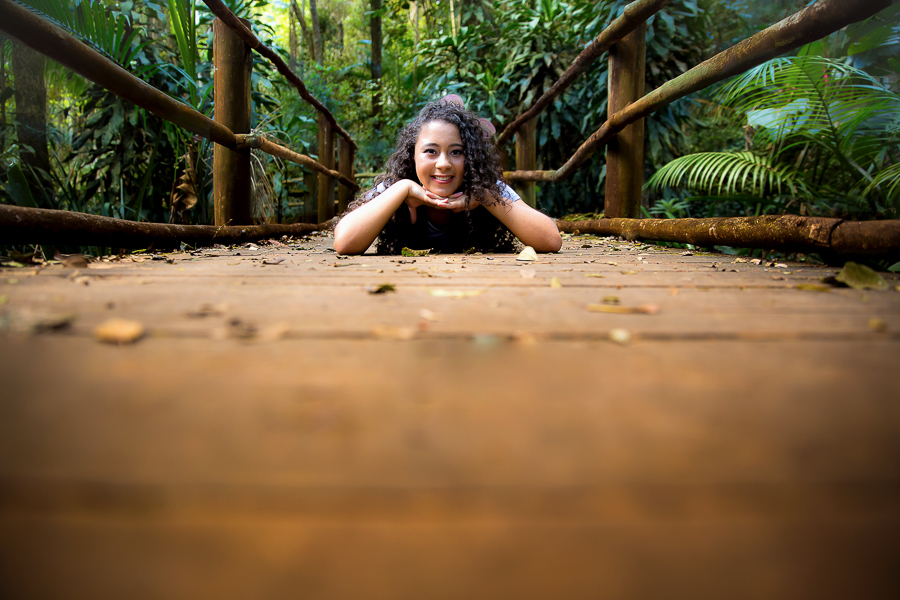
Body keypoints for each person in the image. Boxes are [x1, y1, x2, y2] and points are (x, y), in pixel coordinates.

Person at [333, 97, 562, 255]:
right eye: (431, 151)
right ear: (413, 155)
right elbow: (344, 243)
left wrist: (483, 197)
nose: (443, 164)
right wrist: (403, 189)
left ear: (471, 157)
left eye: (456, 152)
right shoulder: (395, 186)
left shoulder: (486, 186)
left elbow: (551, 240)